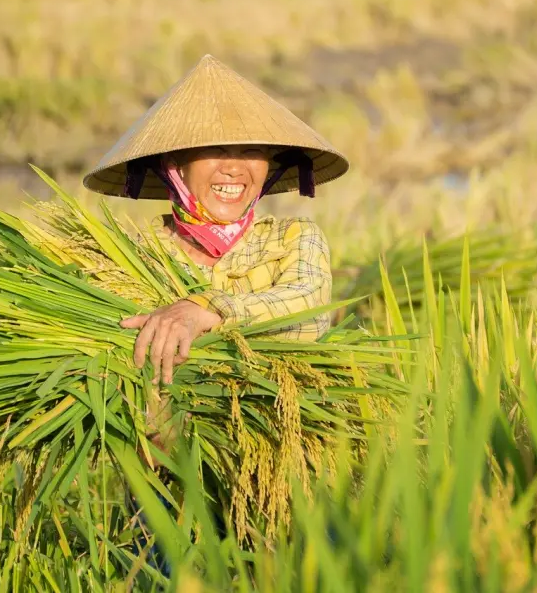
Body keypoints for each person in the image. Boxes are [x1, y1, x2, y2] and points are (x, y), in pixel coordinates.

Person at [82, 54, 349, 572]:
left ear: (270, 165)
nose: (234, 166)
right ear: (176, 166)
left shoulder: (293, 239)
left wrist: (204, 309)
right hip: (164, 486)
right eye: (214, 150)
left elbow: (309, 311)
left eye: (251, 150)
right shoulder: (134, 254)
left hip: (282, 476)